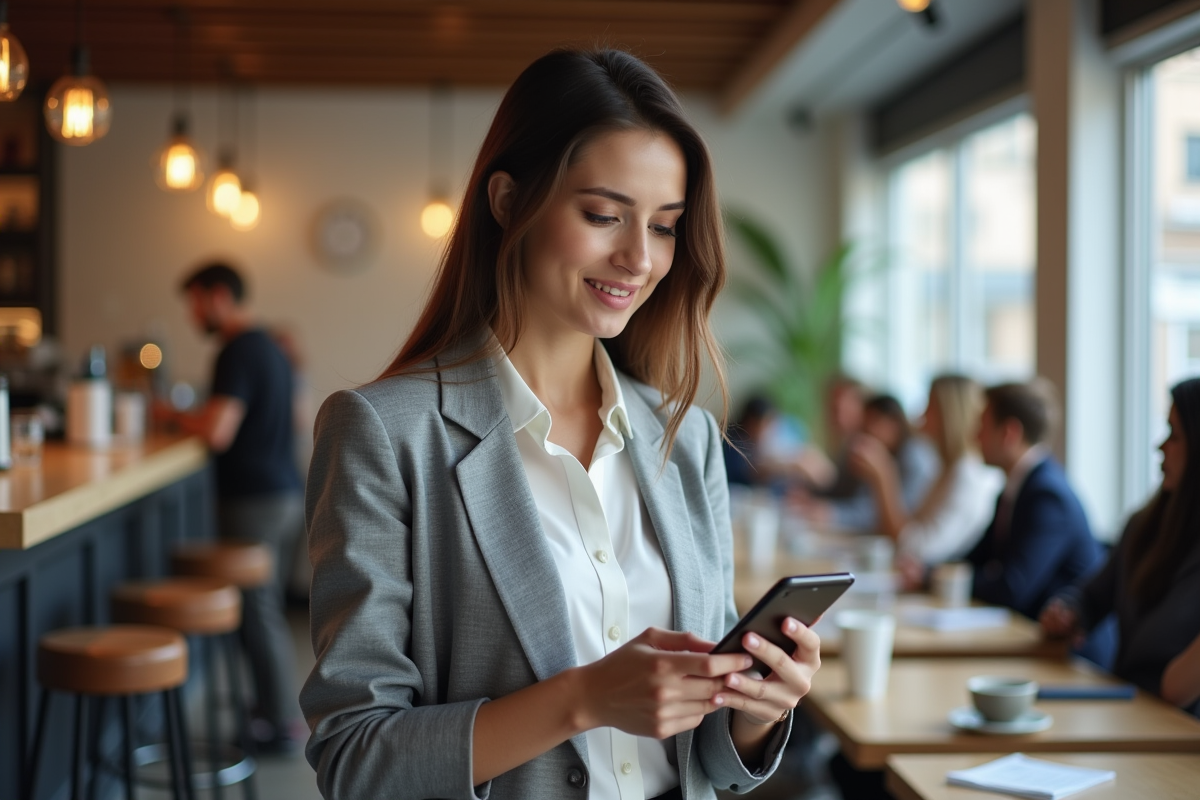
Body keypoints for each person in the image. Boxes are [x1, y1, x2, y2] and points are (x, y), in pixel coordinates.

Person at [301, 49, 820, 800]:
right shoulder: (386, 434)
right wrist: (583, 699)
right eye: (604, 215)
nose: (639, 258)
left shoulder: (687, 440)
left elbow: (704, 757)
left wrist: (756, 713)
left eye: (666, 227)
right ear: (508, 200)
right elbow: (356, 758)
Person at [162, 263, 305, 751]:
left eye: (196, 301)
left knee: (257, 613)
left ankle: (282, 723)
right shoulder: (272, 346)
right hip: (284, 492)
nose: (192, 314)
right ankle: (270, 710)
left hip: (254, 501)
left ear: (219, 296)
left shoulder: (237, 350)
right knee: (265, 610)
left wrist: (170, 415)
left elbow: (218, 431)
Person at [1041, 378, 1200, 716]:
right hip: (1129, 708)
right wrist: (1069, 610)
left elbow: (1166, 662)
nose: (1160, 447)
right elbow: (1092, 595)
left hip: (1177, 730)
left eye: (1174, 436)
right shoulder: (1146, 524)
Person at [966, 381, 1105, 621]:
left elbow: (1012, 588)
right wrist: (929, 573)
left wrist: (947, 580)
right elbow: (976, 560)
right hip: (1029, 635)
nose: (975, 436)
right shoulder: (1015, 489)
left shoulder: (1047, 496)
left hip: (1068, 652)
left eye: (982, 426)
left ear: (1009, 433)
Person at [848, 375, 1003, 576]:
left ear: (948, 415)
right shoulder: (946, 469)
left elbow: (917, 550)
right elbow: (907, 531)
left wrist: (884, 476)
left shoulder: (968, 476)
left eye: (929, 406)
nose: (921, 415)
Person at [805, 394, 939, 533]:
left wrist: (833, 514)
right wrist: (814, 498)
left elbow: (895, 520)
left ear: (895, 423)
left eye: (875, 422)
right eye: (865, 424)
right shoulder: (878, 451)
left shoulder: (916, 458)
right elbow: (858, 499)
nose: (869, 430)